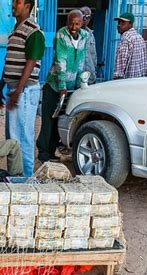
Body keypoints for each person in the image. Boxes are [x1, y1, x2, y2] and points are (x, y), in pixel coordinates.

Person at [0, 0, 44, 177]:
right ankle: (16, 174)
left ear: (28, 6)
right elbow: (9, 59)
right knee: (12, 135)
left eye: (18, 2)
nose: (14, 4)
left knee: (23, 136)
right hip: (14, 89)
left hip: (24, 91)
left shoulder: (33, 31)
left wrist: (18, 91)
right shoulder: (15, 30)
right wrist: (1, 85)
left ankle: (26, 177)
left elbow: (31, 62)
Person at [36, 10, 88, 163]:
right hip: (55, 86)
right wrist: (62, 87)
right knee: (48, 121)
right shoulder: (61, 35)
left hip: (70, 87)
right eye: (70, 23)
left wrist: (80, 84)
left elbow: (81, 62)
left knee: (60, 121)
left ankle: (52, 152)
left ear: (82, 23)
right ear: (66, 23)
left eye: (77, 24)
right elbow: (60, 62)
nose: (73, 26)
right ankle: (43, 154)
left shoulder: (85, 36)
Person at [113, 12, 147, 80]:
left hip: (127, 83)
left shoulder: (126, 39)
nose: (119, 25)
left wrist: (116, 80)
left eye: (123, 23)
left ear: (131, 24)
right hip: (140, 81)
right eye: (118, 23)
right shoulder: (139, 37)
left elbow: (120, 65)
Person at [80, 6, 97, 83]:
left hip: (89, 76)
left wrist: (94, 70)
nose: (86, 19)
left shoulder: (90, 34)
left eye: (88, 17)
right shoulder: (73, 33)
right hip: (77, 77)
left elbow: (94, 55)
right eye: (84, 16)